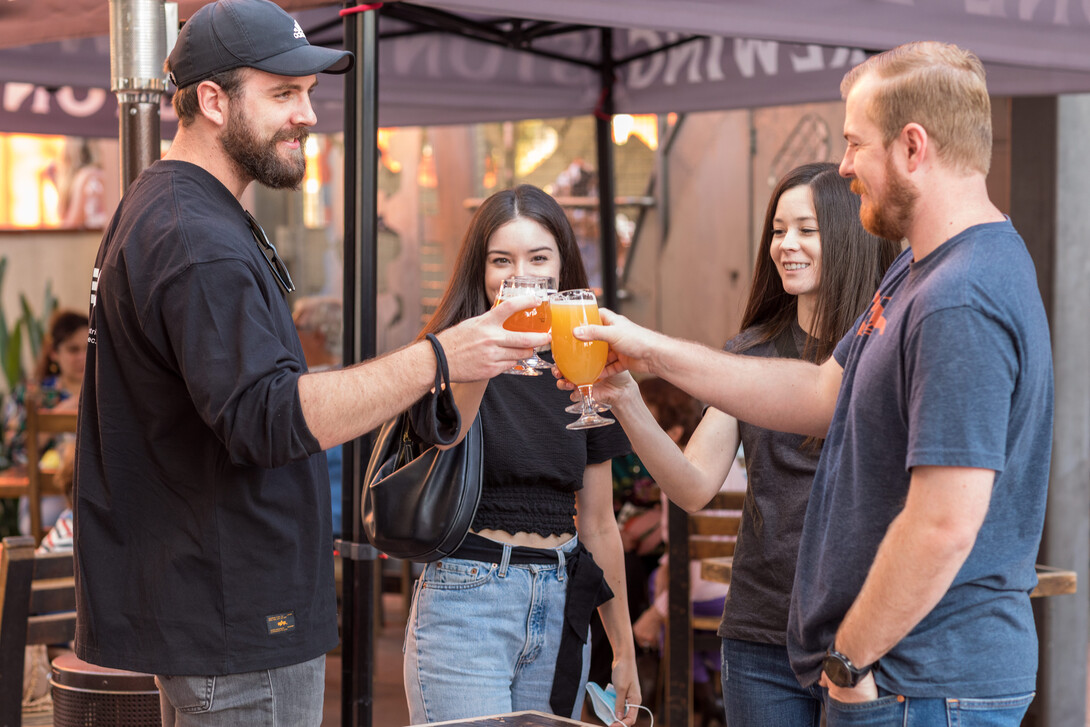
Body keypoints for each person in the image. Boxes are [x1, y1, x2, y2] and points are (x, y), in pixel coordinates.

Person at [74, 2, 547, 725]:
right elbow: (268, 419)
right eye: (283, 93)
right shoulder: (194, 236)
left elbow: (243, 400)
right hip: (237, 621)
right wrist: (441, 357)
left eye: (310, 95)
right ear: (212, 99)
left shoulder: (178, 211)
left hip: (221, 611)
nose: (307, 116)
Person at [571, 41, 1053, 726]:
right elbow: (817, 393)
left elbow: (944, 522)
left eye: (856, 144)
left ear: (913, 147)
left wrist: (849, 662)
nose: (845, 166)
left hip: (916, 680)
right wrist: (647, 350)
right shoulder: (922, 271)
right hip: (896, 677)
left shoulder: (959, 296)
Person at [588, 162, 899, 725]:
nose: (786, 245)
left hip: (859, 640)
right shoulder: (751, 353)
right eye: (778, 231)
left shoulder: (884, 353)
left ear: (848, 236)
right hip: (762, 637)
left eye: (806, 229)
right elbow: (691, 487)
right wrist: (626, 399)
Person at [401, 184, 640, 725]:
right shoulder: (448, 352)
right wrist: (488, 350)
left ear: (562, 269)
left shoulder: (583, 362)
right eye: (502, 261)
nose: (522, 275)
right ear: (480, 272)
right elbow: (449, 437)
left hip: (559, 603)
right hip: (468, 597)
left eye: (539, 258)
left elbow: (600, 523)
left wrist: (622, 649)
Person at [2, 308, 88, 537]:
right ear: (53, 353)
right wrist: (59, 415)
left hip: (97, 494)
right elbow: (15, 453)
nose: (82, 357)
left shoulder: (109, 394)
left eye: (88, 348)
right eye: (73, 349)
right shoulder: (31, 394)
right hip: (46, 498)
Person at [292, 296, 345, 536]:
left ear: (319, 336)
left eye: (296, 327)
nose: (287, 332)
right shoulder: (347, 381)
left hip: (322, 521)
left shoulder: (317, 390)